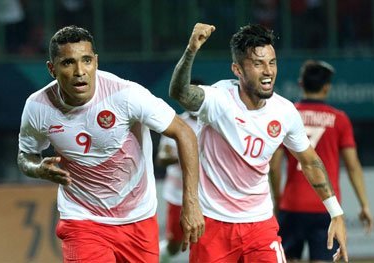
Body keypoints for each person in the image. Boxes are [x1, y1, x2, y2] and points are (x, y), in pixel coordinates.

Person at [17, 25, 204, 263]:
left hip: (137, 218)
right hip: (82, 219)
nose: (79, 71)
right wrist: (37, 169)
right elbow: (25, 155)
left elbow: (185, 132)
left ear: (96, 61)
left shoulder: (125, 95)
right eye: (68, 63)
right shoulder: (38, 107)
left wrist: (191, 203)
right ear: (52, 69)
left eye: (86, 60)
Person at [169, 23, 349, 262]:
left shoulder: (285, 112)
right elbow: (179, 92)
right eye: (257, 64)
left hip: (260, 225)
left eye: (272, 62)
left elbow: (310, 161)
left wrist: (336, 213)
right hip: (214, 224)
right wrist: (191, 50)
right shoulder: (218, 99)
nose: (268, 71)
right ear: (237, 69)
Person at [269, 60, 374, 262]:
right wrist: (364, 205)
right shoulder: (339, 119)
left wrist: (277, 200)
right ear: (327, 87)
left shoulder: (288, 115)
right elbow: (353, 167)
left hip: (292, 205)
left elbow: (274, 166)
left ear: (301, 84)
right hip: (326, 206)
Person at [157, 81, 202, 262]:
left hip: (206, 197)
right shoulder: (176, 123)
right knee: (174, 244)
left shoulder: (214, 124)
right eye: (188, 95)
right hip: (177, 195)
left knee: (204, 244)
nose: (192, 100)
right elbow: (161, 159)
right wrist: (186, 154)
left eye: (196, 96)